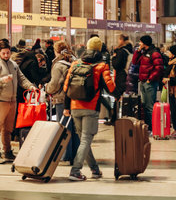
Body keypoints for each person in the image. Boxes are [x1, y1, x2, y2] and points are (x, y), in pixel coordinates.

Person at [63, 36, 120, 181]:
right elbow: (110, 86)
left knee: (84, 140)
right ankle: (75, 171)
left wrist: (66, 107)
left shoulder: (75, 63)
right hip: (90, 107)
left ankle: (95, 169)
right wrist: (118, 95)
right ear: (100, 49)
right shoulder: (101, 66)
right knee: (86, 140)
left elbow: (66, 86)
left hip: (75, 106)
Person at [0, 40, 36, 162]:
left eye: (8, 53)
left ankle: (7, 151)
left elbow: (22, 78)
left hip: (12, 100)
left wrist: (31, 86)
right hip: (1, 100)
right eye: (3, 53)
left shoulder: (13, 64)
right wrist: (2, 80)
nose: (6, 55)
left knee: (8, 128)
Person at [45, 41, 79, 164]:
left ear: (56, 51)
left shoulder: (59, 65)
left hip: (61, 100)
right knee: (74, 129)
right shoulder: (74, 61)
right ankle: (75, 154)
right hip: (75, 99)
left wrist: (46, 88)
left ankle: (65, 155)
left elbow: (54, 84)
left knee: (64, 128)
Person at [132, 35, 164, 133]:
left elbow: (159, 68)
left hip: (150, 83)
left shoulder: (154, 53)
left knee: (150, 106)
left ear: (145, 43)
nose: (139, 44)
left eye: (141, 42)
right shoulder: (144, 53)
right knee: (145, 106)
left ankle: (153, 128)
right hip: (143, 82)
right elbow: (134, 61)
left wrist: (150, 79)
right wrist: (138, 51)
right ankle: (148, 127)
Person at [110, 34, 133, 124]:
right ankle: (126, 117)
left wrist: (114, 57)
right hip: (127, 75)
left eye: (119, 39)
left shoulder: (120, 51)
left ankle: (115, 119)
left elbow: (116, 64)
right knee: (126, 97)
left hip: (121, 76)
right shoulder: (130, 49)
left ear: (122, 40)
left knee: (118, 96)